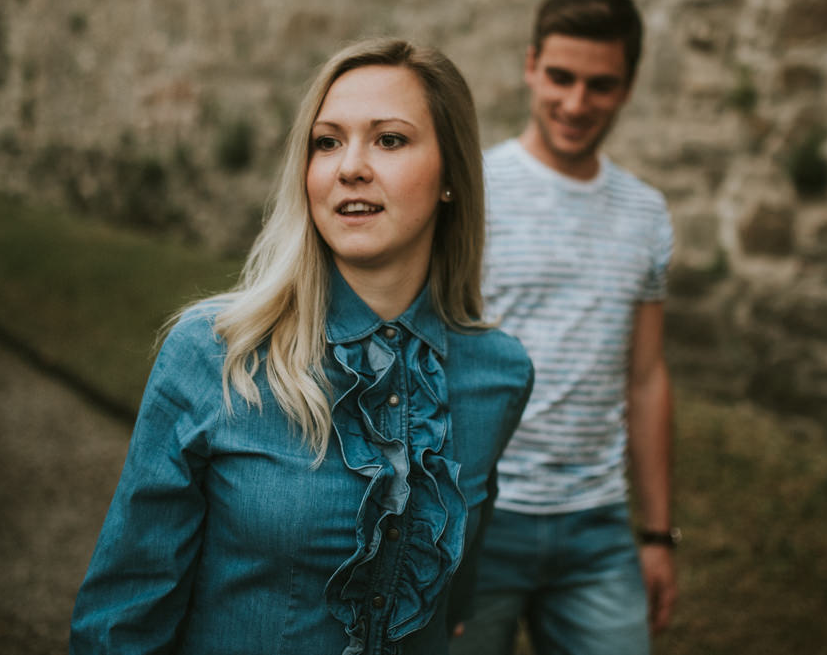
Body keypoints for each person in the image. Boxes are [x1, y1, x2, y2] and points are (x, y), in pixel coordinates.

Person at [70, 38, 534, 655]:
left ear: (451, 175)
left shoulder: (498, 376)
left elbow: (453, 602)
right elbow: (120, 619)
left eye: (389, 140)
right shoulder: (214, 355)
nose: (350, 168)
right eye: (327, 142)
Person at [452, 0, 678, 655]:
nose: (576, 103)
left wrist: (659, 533)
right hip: (477, 519)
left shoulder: (647, 212)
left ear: (628, 86)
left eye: (600, 85)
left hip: (597, 527)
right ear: (530, 65)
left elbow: (646, 377)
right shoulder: (471, 190)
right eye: (560, 77)